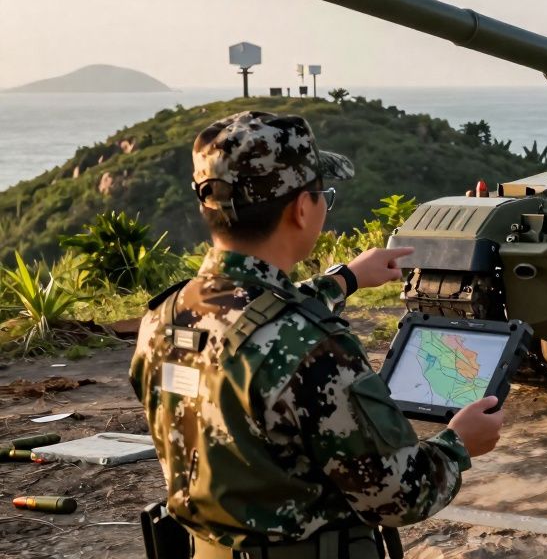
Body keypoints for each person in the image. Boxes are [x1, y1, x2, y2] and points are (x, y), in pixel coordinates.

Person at [130, 110, 504, 559]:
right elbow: (399, 495)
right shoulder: (314, 348)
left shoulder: (164, 318)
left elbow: (248, 321)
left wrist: (343, 279)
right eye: (322, 194)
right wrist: (458, 443)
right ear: (302, 209)